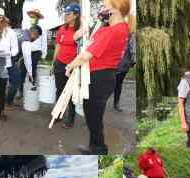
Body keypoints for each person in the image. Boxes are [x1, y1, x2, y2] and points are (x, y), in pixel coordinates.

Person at [65, 0, 131, 154]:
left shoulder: (112, 31)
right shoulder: (118, 28)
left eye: (105, 5)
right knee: (94, 116)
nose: (101, 8)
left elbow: (86, 55)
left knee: (93, 117)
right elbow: (81, 40)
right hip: (103, 77)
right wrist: (80, 34)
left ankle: (99, 149)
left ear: (115, 9)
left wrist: (70, 66)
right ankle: (94, 146)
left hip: (99, 78)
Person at [52, 3, 81, 127]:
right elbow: (58, 46)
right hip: (60, 64)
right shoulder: (62, 29)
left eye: (68, 14)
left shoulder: (81, 31)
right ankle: (58, 113)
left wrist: (76, 65)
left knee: (71, 92)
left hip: (73, 66)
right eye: (65, 14)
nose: (66, 16)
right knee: (59, 90)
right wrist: (53, 62)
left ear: (76, 15)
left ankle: (71, 119)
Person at [113, 32, 136, 112]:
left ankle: (115, 103)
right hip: (123, 63)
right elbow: (133, 48)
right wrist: (133, 61)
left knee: (115, 83)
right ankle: (116, 103)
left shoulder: (128, 34)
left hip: (119, 63)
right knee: (118, 84)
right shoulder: (129, 34)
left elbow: (132, 48)